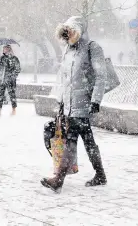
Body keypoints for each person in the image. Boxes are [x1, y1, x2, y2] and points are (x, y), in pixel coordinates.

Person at [41, 16, 107, 192]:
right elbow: (65, 79)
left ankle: (58, 179)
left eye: (71, 31)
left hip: (84, 103)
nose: (68, 34)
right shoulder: (67, 50)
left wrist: (96, 100)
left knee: (71, 138)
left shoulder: (92, 48)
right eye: (66, 31)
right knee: (88, 140)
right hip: (70, 104)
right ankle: (100, 174)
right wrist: (61, 101)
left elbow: (101, 76)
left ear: (78, 30)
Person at [0, 44, 21, 117]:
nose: (5, 50)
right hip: (2, 80)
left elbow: (18, 69)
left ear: (9, 49)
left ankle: (14, 110)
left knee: (12, 95)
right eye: (4, 49)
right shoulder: (0, 58)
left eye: (6, 49)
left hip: (10, 80)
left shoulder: (14, 58)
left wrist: (12, 76)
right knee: (0, 95)